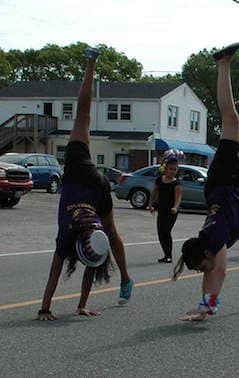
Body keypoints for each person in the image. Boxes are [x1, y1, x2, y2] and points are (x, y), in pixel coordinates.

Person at [37, 47, 134, 320]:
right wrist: (77, 306)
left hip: (89, 179)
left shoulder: (69, 233)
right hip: (90, 181)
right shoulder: (91, 235)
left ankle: (91, 62)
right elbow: (91, 263)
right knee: (111, 235)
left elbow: (55, 270)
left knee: (83, 115)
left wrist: (45, 308)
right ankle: (125, 279)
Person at [173, 43, 239, 321]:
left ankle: (223, 64)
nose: (206, 270)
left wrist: (209, 304)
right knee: (231, 120)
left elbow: (220, 270)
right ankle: (223, 64)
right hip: (224, 188)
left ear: (205, 253)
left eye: (202, 266)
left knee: (231, 119)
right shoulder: (219, 236)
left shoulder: (214, 240)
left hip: (222, 182)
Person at [150, 150, 183, 263]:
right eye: (171, 169)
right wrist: (151, 205)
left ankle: (169, 255)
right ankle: (166, 255)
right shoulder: (159, 180)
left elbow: (178, 197)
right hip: (162, 209)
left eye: (175, 169)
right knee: (160, 232)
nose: (173, 171)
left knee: (166, 231)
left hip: (171, 211)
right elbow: (154, 193)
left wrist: (175, 207)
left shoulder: (176, 183)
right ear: (166, 169)